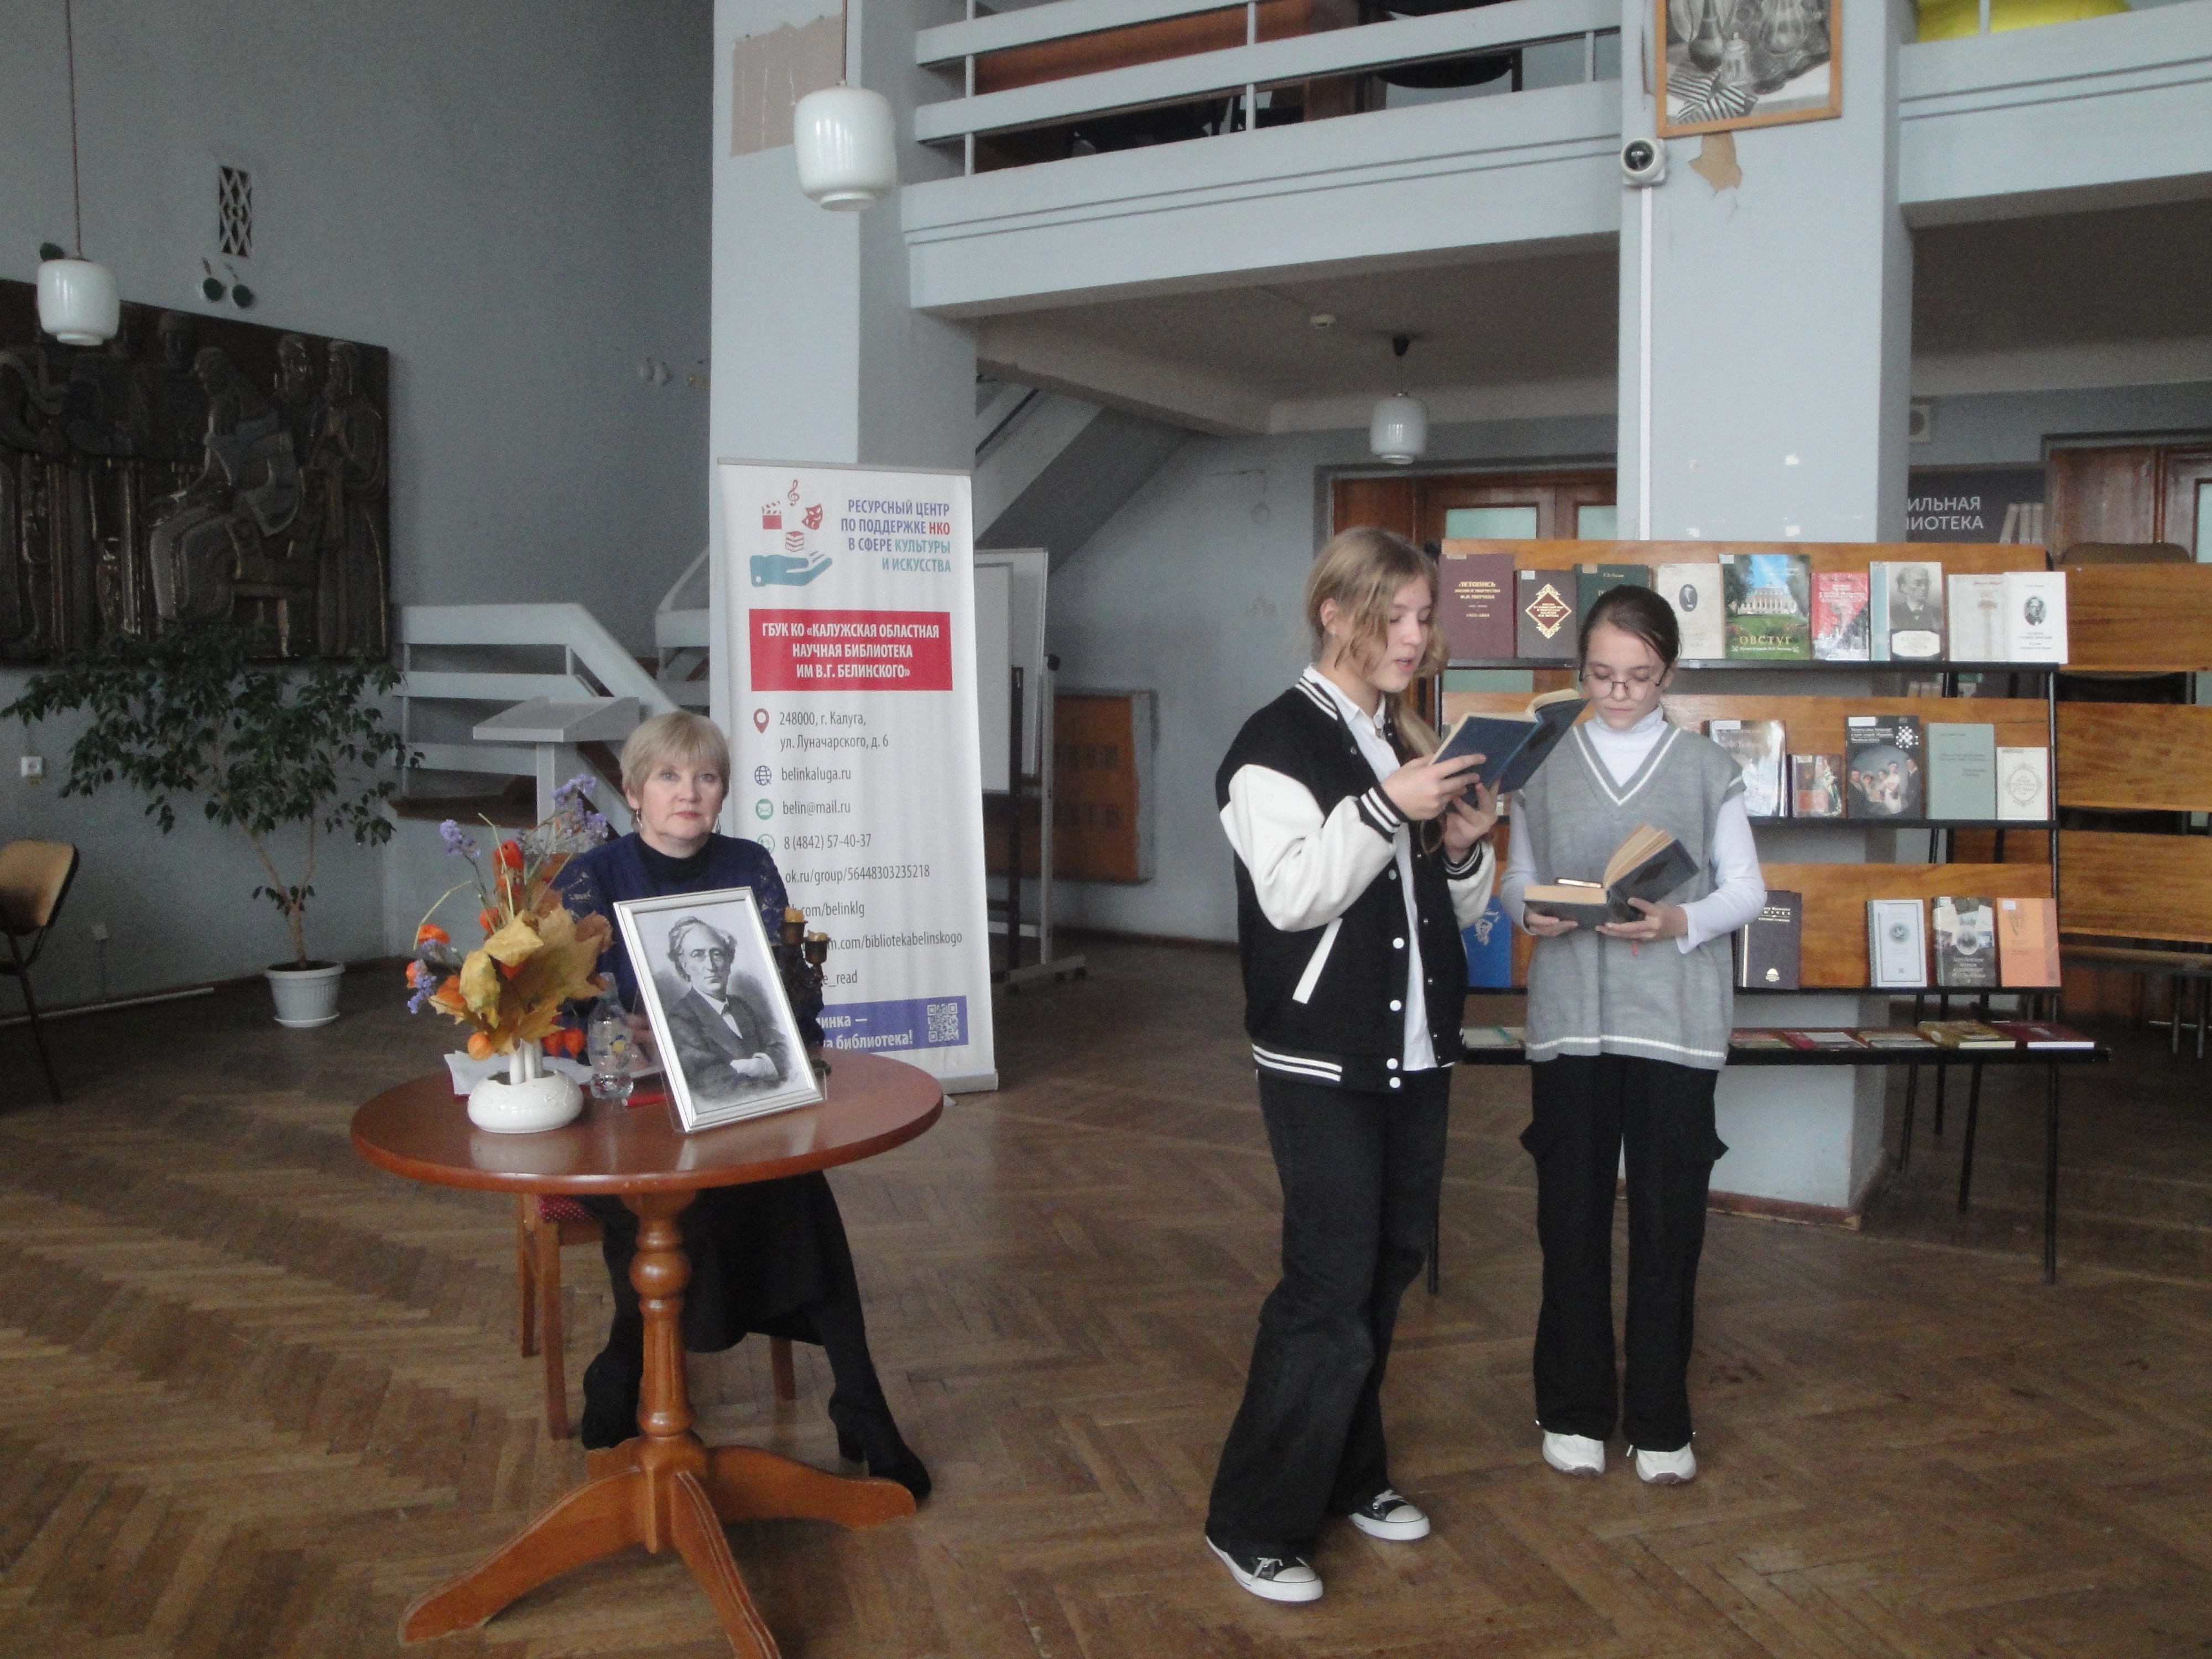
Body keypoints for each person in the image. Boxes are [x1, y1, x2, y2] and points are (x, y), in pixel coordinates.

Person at [1204, 528, 1499, 1604]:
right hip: (1319, 1056)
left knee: (1384, 1268)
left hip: (1411, 1053)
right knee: (1328, 1284)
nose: (1414, 637)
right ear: (1334, 614)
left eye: (1424, 617)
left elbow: (1449, 913)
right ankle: (1250, 1519)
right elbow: (1293, 897)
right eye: (1394, 616)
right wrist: (1386, 810)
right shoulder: (1270, 743)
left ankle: (1347, 1471)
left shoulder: (1399, 738)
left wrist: (1460, 849)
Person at [556, 711, 927, 1498]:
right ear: (634, 791)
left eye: (706, 776)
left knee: (798, 1194)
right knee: (685, 1209)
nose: (688, 792)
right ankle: (625, 1365)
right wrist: (613, 1031)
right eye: (668, 776)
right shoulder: (593, 878)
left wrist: (774, 1029)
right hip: (636, 1119)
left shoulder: (748, 865)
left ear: (723, 791)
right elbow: (558, 1012)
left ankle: (860, 1400)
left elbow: (783, 995)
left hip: (741, 1104)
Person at [1502, 585, 1765, 1488]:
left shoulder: (1705, 767)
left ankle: (1659, 1420)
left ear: (1668, 674)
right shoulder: (1543, 763)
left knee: (1668, 1225)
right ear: (1580, 667)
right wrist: (1529, 912)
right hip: (1572, 1020)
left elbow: (1747, 889)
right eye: (1601, 675)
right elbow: (1518, 878)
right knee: (1570, 1221)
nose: (1618, 694)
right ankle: (1574, 1410)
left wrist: (1678, 922)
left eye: (1639, 677)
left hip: (1676, 1024)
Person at [658, 916, 791, 1103]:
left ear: (728, 961)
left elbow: (787, 1050)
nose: (711, 966)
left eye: (717, 954)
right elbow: (714, 1085)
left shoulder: (740, 1007)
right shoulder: (680, 1019)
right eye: (698, 955)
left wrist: (761, 1066)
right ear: (684, 964)